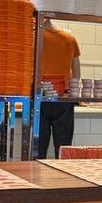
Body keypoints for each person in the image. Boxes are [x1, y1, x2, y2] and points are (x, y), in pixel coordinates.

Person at [38, 21, 81, 157]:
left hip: (40, 96)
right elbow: (76, 71)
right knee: (63, 149)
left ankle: (35, 170)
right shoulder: (70, 38)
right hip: (63, 98)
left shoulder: (36, 37)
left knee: (38, 149)